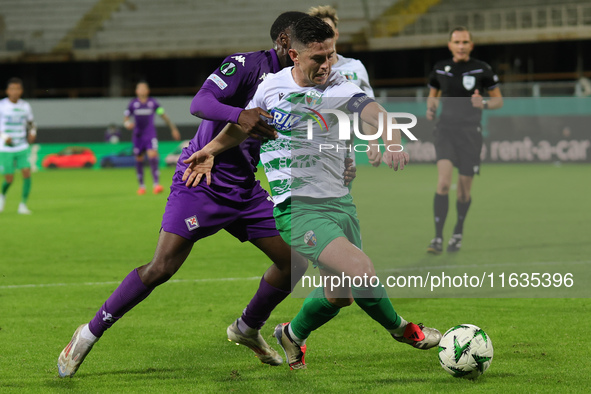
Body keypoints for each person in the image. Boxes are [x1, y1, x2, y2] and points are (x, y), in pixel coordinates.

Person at [57, 11, 314, 378]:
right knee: (161, 268)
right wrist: (240, 114)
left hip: (245, 188)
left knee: (294, 263)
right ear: (287, 43)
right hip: (202, 179)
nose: (315, 58)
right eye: (309, 48)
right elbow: (200, 103)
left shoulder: (297, 82)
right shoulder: (244, 65)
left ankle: (246, 327)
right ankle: (89, 332)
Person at [182, 16, 441, 370]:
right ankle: (403, 330)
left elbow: (375, 112)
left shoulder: (341, 84)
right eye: (318, 58)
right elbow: (243, 127)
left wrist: (391, 140)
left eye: (330, 56)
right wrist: (210, 149)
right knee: (362, 271)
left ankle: (292, 334)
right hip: (296, 207)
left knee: (341, 295)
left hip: (340, 203)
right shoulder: (270, 87)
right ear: (294, 55)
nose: (326, 65)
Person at [426, 26, 503, 254]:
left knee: (463, 192)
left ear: (471, 45)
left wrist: (485, 103)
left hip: (470, 134)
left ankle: (457, 232)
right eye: (457, 42)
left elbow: (498, 101)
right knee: (442, 183)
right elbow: (433, 97)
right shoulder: (440, 69)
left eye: (465, 42)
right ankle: (438, 238)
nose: (461, 46)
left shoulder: (482, 69)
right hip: (446, 131)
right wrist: (431, 109)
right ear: (450, 45)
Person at [309, 5, 380, 170]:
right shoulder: (302, 72)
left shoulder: (355, 68)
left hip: (344, 153)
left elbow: (366, 109)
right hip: (310, 152)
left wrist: (372, 141)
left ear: (336, 35)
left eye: (328, 32)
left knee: (341, 196)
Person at [124, 81, 181, 195]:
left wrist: (173, 128)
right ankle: (142, 186)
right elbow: (126, 118)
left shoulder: (153, 103)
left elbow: (163, 115)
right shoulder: (133, 104)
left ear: (148, 91)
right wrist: (127, 124)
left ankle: (156, 184)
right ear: (136, 91)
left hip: (150, 134)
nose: (142, 90)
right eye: (140, 88)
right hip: (137, 136)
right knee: (139, 159)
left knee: (152, 155)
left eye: (144, 88)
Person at [0, 78, 36, 215]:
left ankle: (23, 205)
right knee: (9, 178)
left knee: (26, 172)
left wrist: (32, 132)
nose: (15, 91)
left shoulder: (25, 106)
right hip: (5, 147)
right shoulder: (2, 106)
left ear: (21, 91)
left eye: (17, 89)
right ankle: (2, 195)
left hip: (21, 145)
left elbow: (31, 122)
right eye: (12, 89)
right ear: (7, 91)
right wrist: (4, 137)